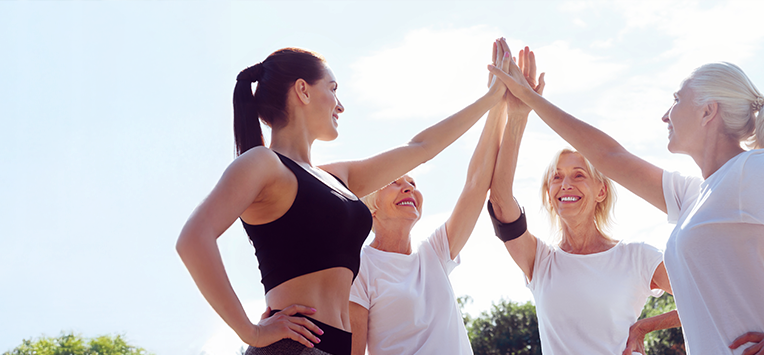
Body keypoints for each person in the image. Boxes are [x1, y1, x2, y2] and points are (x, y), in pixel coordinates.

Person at [488, 58, 764, 355]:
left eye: (676, 101)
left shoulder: (751, 170)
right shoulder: (695, 196)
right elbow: (608, 155)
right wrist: (532, 102)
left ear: (708, 111)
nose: (665, 114)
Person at [177, 41, 513, 355]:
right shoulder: (263, 163)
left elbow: (421, 149)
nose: (340, 104)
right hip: (294, 346)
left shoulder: (337, 178)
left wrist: (492, 97)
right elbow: (193, 238)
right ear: (303, 91)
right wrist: (251, 332)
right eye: (333, 89)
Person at [484, 46, 681, 355]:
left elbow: (705, 297)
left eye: (578, 175)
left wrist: (644, 326)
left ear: (601, 191)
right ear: (549, 193)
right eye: (556, 177)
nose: (566, 184)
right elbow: (499, 199)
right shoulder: (540, 262)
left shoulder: (638, 258)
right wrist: (518, 115)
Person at [346, 57, 510, 355]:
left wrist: (498, 102)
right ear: (371, 206)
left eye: (412, 182)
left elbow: (476, 183)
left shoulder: (434, 252)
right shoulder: (359, 267)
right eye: (394, 182)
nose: (408, 186)